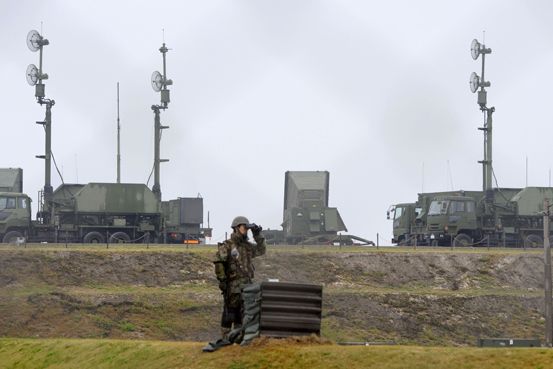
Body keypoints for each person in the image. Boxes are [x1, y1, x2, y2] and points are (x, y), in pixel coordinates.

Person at [212, 216, 266, 340]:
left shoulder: (247, 246)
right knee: (229, 313)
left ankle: (239, 339)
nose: (246, 230)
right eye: (244, 227)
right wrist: (222, 280)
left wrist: (258, 235)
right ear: (237, 228)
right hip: (233, 287)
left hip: (247, 287)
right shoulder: (228, 246)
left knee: (243, 315)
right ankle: (225, 339)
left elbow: (262, 250)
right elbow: (219, 262)